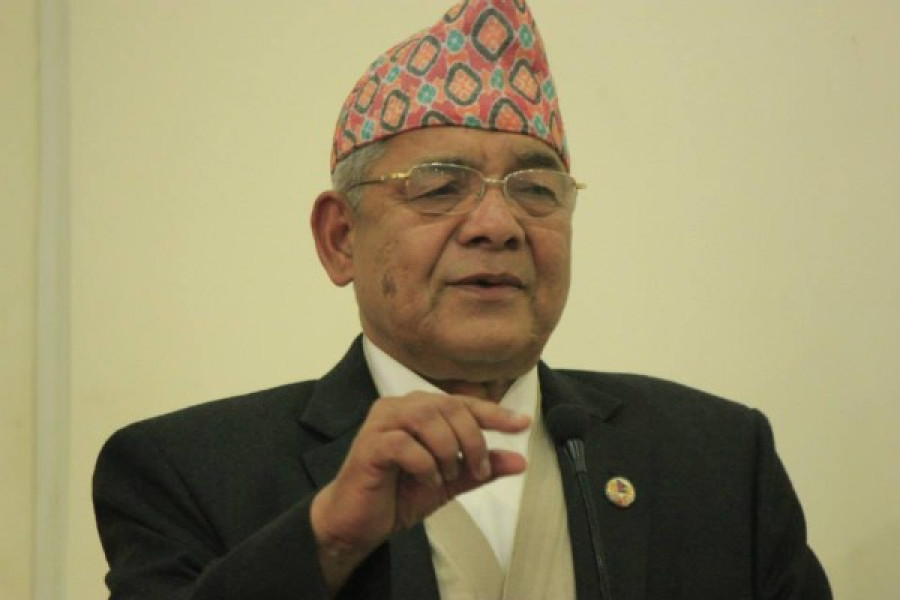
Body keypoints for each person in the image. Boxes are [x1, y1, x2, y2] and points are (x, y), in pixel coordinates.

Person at [93, 1, 832, 598]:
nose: (498, 225)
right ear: (341, 239)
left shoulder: (716, 458)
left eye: (535, 190)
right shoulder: (186, 471)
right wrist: (329, 540)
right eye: (441, 187)